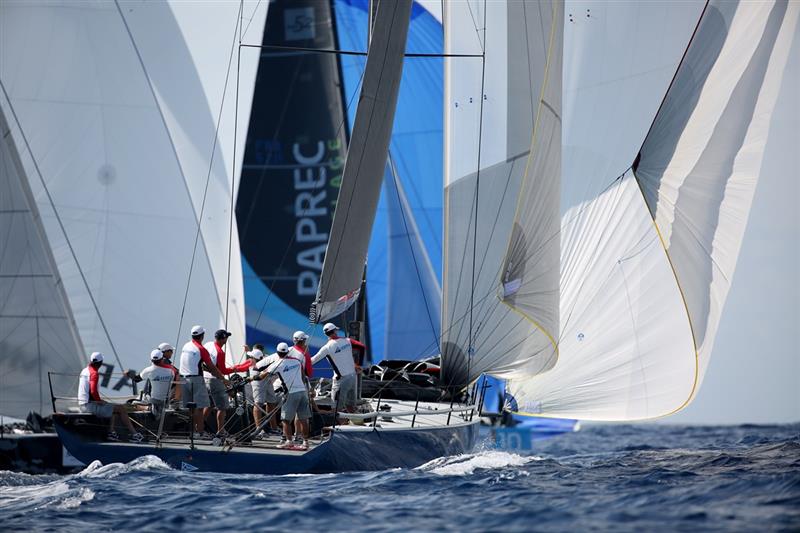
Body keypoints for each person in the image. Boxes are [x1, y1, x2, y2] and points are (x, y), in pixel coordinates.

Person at [251, 342, 310, 450]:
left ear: (277, 353)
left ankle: (289, 442)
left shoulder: (277, 363)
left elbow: (261, 377)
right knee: (303, 419)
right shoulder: (297, 361)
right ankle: (305, 442)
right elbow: (303, 377)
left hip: (291, 394)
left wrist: (251, 378)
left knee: (285, 420)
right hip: (302, 392)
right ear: (287, 351)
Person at [77, 352, 143, 442]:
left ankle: (111, 433)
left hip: (83, 404)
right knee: (121, 408)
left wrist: (100, 401)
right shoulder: (94, 373)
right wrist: (99, 401)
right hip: (89, 406)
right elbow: (93, 391)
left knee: (112, 407)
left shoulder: (85, 370)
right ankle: (134, 434)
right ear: (101, 363)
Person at [179, 325, 229, 437]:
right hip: (196, 379)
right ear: (202, 336)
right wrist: (224, 380)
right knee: (199, 408)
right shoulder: (201, 349)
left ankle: (192, 433)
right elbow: (212, 367)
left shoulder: (186, 345)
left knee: (190, 408)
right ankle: (200, 433)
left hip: (183, 379)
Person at [203, 329, 250, 436]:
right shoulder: (220, 352)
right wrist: (238, 368)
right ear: (223, 339)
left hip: (205, 378)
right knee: (223, 407)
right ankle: (221, 431)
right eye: (226, 338)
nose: (226, 340)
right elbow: (223, 371)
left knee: (210, 405)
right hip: (214, 380)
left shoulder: (208, 344)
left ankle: (199, 429)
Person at [310, 323, 366, 413]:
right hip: (352, 377)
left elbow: (313, 361)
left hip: (341, 380)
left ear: (326, 334)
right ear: (335, 331)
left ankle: (341, 425)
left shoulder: (326, 348)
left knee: (335, 410)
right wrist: (359, 364)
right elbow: (362, 347)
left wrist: (299, 362)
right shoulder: (347, 340)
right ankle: (358, 424)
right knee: (350, 407)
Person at [245, 348, 279, 438]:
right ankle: (259, 429)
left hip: (266, 378)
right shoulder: (258, 360)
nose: (249, 358)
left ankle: (273, 428)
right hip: (257, 379)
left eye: (251, 357)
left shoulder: (263, 360)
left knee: (271, 402)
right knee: (258, 403)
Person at [139, 349, 175, 418]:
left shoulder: (148, 370)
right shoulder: (171, 371)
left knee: (135, 404)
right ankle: (152, 408)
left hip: (154, 400)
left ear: (151, 360)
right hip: (166, 401)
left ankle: (149, 408)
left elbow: (137, 379)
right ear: (162, 359)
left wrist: (129, 374)